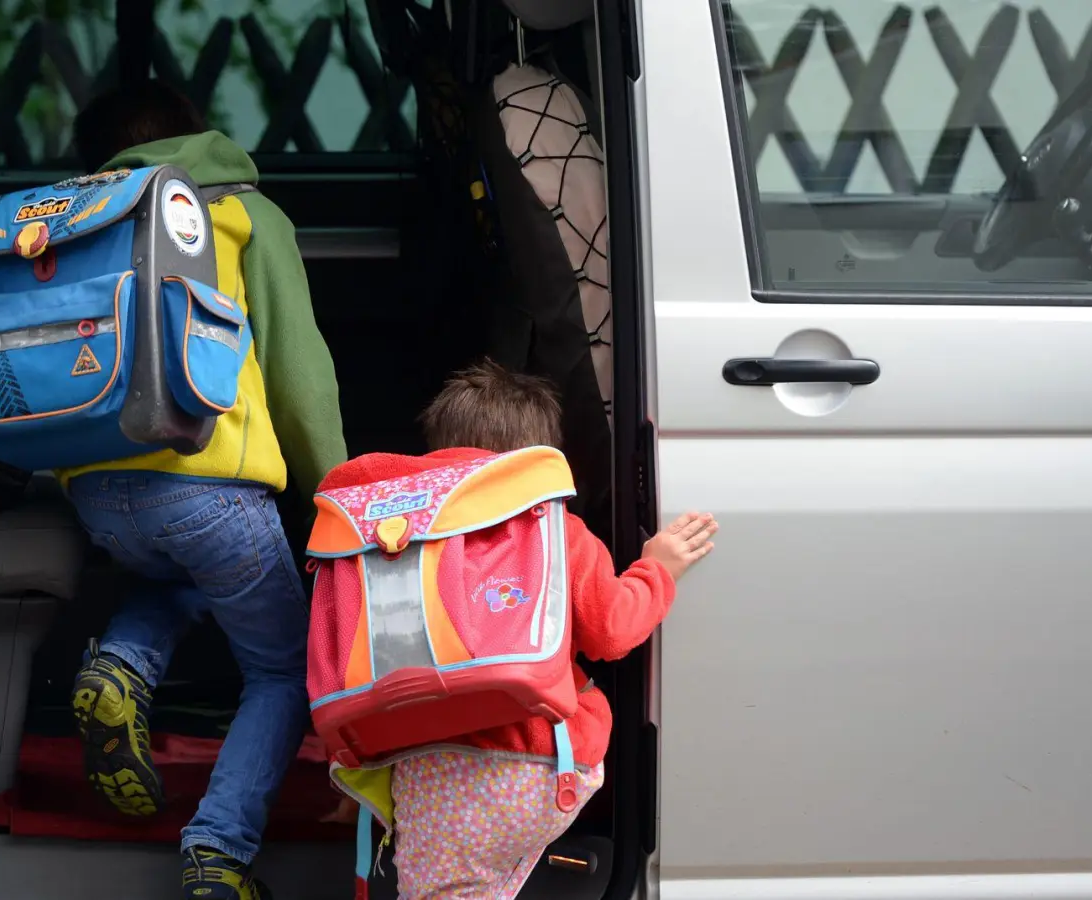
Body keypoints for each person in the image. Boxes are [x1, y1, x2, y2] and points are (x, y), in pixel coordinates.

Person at [63, 80, 347, 900]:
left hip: (98, 494)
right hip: (210, 489)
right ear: (199, 134)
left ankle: (120, 663)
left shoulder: (81, 216)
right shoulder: (241, 213)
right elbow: (299, 378)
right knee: (286, 669)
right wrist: (339, 499)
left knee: (185, 576)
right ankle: (218, 850)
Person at [315, 360, 715, 900]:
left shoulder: (387, 543)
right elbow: (611, 630)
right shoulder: (554, 531)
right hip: (536, 763)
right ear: (536, 461)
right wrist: (657, 569)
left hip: (420, 771)